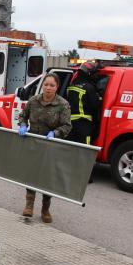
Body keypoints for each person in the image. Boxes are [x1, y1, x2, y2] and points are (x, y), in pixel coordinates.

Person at [17, 72, 72, 223]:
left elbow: (67, 126)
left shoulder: (63, 104)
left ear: (57, 87)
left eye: (52, 85)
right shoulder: (33, 101)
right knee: (32, 173)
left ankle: (45, 209)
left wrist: (56, 132)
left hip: (51, 145)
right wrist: (22, 125)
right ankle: (29, 205)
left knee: (47, 178)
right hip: (34, 143)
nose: (48, 88)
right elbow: (23, 115)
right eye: (46, 84)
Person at [66, 60, 103, 146]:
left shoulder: (71, 86)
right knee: (84, 150)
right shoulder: (89, 88)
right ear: (89, 74)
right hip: (83, 124)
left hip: (70, 124)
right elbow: (95, 106)